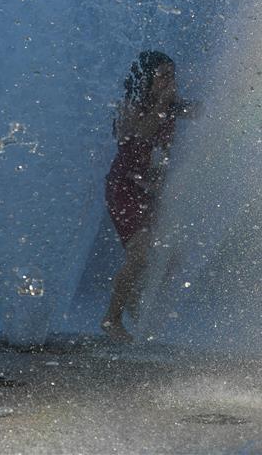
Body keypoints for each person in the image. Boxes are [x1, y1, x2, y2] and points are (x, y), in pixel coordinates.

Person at [101, 50, 188, 342]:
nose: (169, 82)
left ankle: (139, 308)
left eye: (172, 76)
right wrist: (164, 104)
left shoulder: (172, 108)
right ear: (146, 79)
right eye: (163, 76)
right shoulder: (129, 107)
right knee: (138, 256)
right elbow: (140, 135)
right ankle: (111, 319)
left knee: (169, 257)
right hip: (124, 188)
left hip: (150, 190)